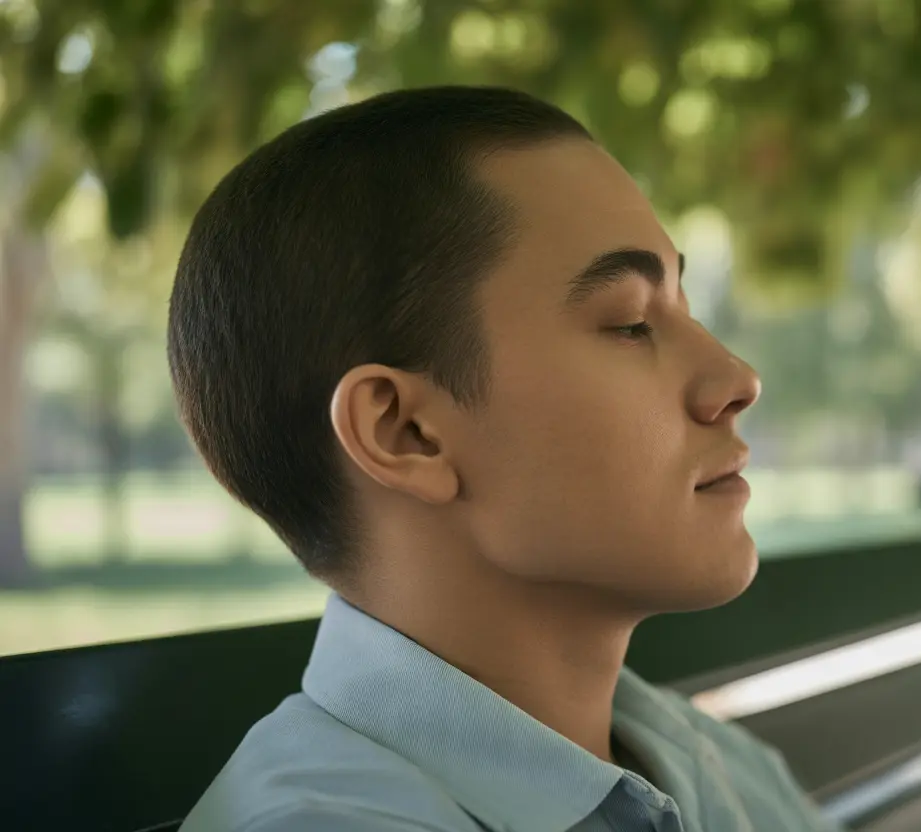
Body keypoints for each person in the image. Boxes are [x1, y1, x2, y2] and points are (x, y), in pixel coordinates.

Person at [171, 86, 831, 832]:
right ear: (405, 433)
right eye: (630, 323)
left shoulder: (702, 757)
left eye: (685, 306)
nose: (737, 379)